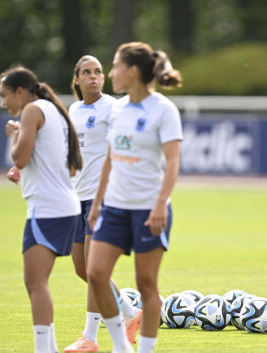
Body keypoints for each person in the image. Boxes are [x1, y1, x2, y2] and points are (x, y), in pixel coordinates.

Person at [86, 42, 183, 353]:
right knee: (96, 273)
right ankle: (121, 347)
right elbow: (110, 159)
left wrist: (159, 205)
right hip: (114, 207)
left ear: (132, 71)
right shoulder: (118, 110)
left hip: (148, 210)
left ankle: (145, 350)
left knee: (146, 284)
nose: (110, 73)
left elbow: (173, 162)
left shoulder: (164, 110)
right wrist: (97, 203)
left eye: (114, 67)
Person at [0, 65, 83, 353]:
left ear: (20, 92)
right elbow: (62, 163)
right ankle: (48, 347)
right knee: (38, 282)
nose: (3, 102)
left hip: (47, 209)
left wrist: (14, 133)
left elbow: (20, 157)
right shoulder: (53, 109)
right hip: (64, 206)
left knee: (35, 283)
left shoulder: (33, 111)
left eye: (5, 95)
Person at [64, 55, 141, 353]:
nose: (94, 76)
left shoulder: (114, 107)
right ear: (77, 79)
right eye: (87, 72)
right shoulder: (73, 110)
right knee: (83, 270)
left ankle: (90, 338)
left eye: (98, 71)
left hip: (104, 198)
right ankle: (132, 315)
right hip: (77, 197)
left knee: (96, 269)